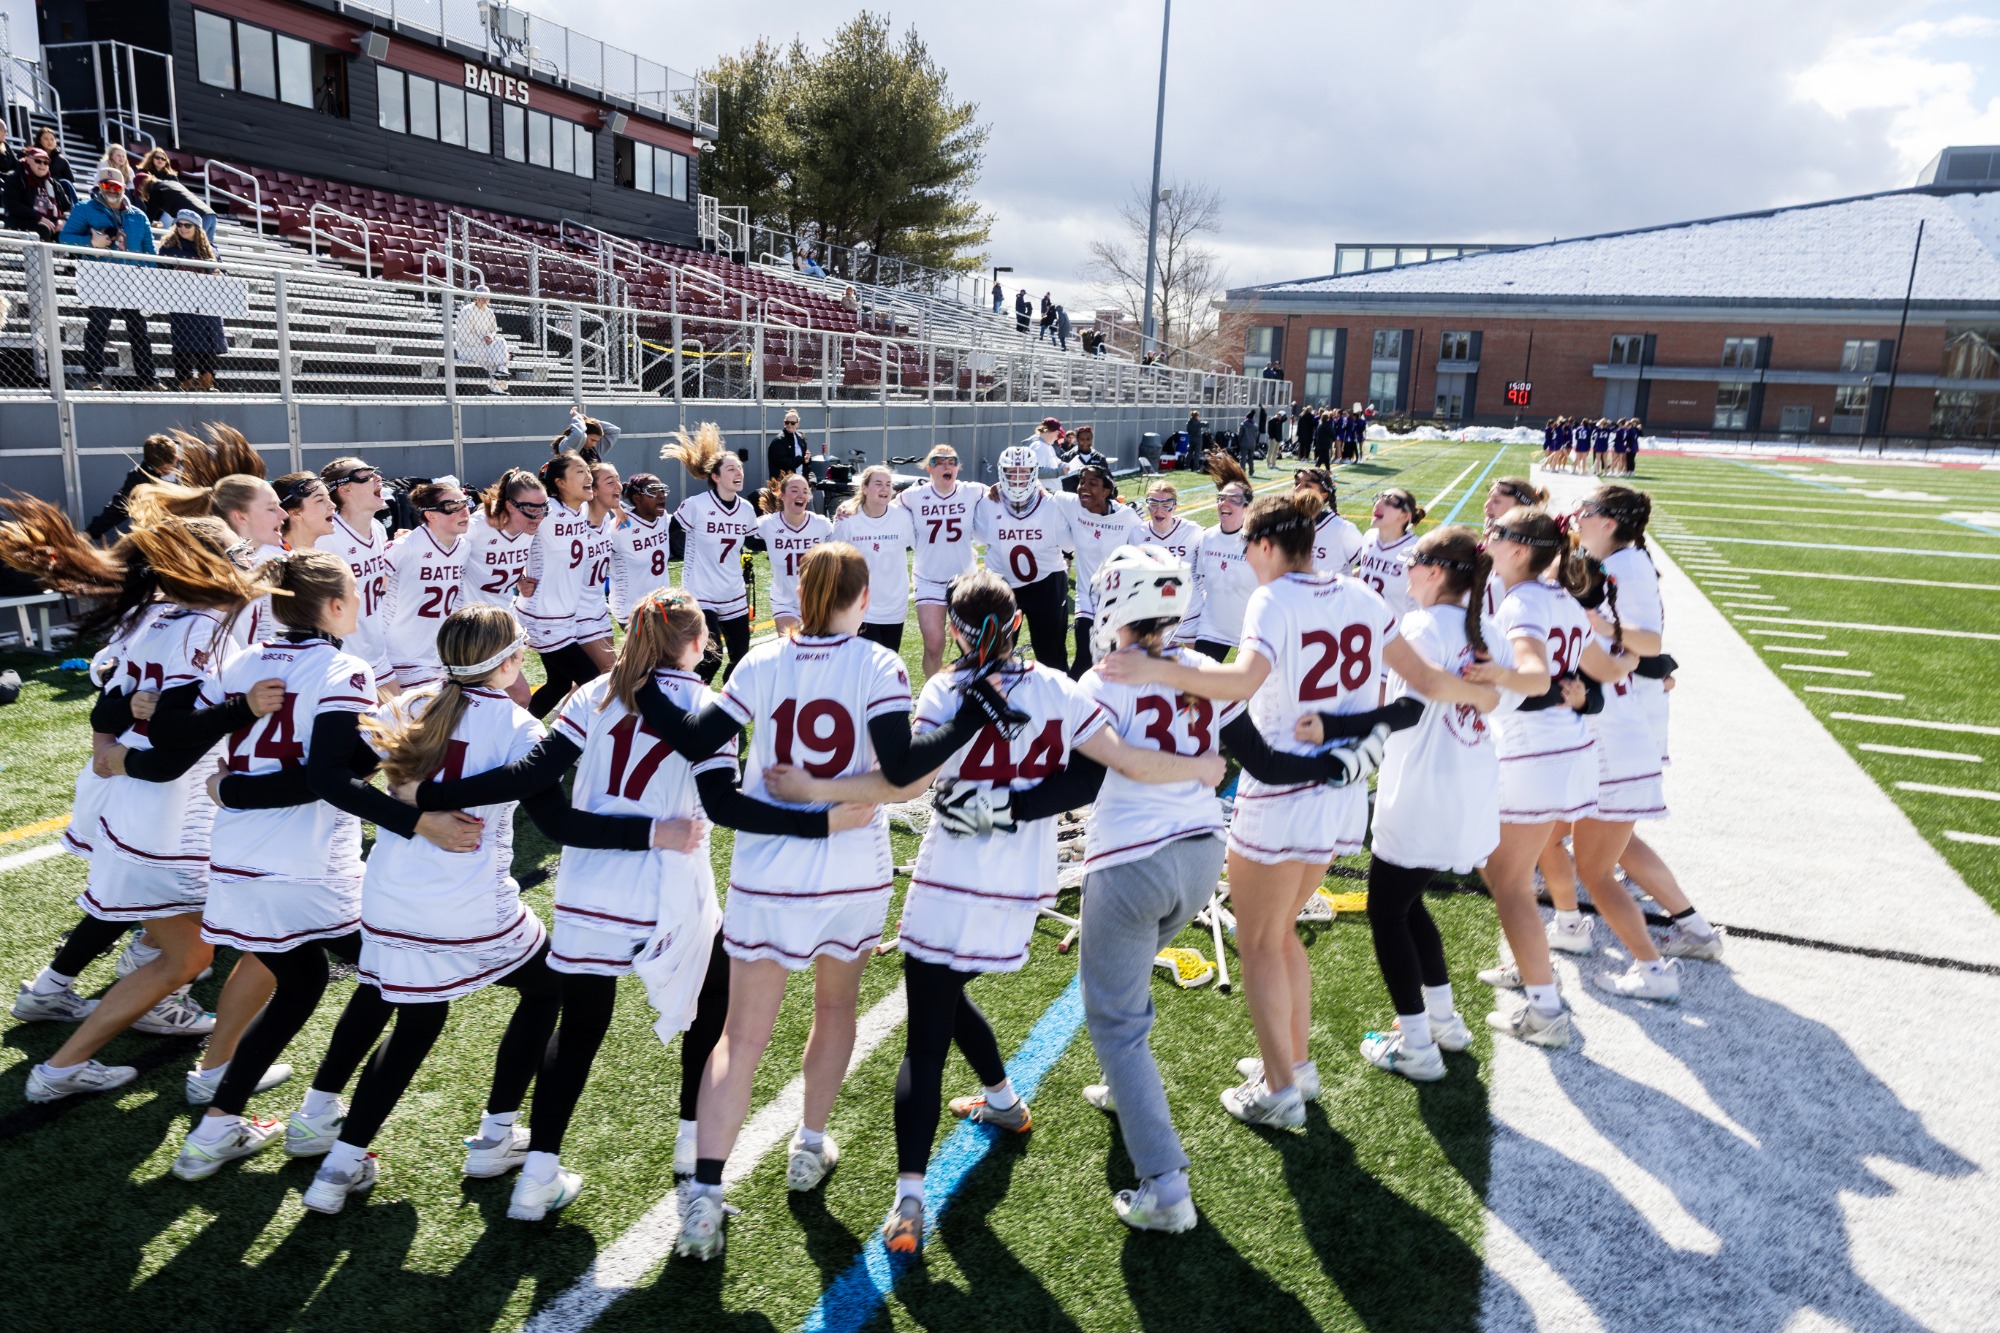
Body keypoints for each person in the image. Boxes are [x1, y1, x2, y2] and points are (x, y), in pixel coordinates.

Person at [764, 566, 1222, 1253]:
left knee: (925, 1025)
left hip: (954, 876)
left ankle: (910, 1194)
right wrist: (1019, 805)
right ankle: (1003, 1100)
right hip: (1022, 881)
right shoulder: (1059, 685)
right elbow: (1096, 770)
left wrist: (815, 783)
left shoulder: (948, 688)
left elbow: (905, 778)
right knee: (942, 995)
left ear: (956, 628)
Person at [404, 586, 863, 1215]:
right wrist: (819, 821)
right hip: (668, 886)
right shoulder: (705, 707)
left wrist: (426, 797)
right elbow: (724, 805)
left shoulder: (594, 694)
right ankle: (690, 1140)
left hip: (589, 888)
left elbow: (533, 777)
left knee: (582, 1025)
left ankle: (537, 1174)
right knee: (713, 1005)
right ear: (698, 644)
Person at [655, 543, 1020, 1261]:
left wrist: (638, 679)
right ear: (863, 597)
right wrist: (975, 711)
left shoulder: (759, 659)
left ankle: (704, 1193)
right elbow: (904, 769)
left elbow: (697, 735)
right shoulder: (877, 663)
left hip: (766, 870)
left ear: (803, 590)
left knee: (740, 1037)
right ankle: (808, 1143)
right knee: (834, 1010)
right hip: (850, 867)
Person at [1098, 490, 1486, 1127]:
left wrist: (1157, 671)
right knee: (1279, 935)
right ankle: (1295, 1067)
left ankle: (1279, 1090)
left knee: (1257, 941)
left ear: (1265, 546)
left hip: (1280, 793)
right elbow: (1422, 686)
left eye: (1249, 549)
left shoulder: (1273, 597)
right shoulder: (1361, 594)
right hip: (1338, 792)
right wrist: (1495, 690)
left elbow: (1242, 684)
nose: (1247, 562)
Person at [295, 604, 666, 1214]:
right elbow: (556, 822)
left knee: (416, 1018)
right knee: (548, 989)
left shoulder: (409, 705)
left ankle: (338, 1167)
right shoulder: (520, 727)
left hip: (388, 895)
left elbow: (331, 777)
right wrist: (651, 832)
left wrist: (411, 816)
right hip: (467, 905)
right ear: (511, 661)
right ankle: (494, 1133)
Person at [166, 550, 490, 1181]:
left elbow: (181, 730)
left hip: (236, 862)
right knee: (400, 981)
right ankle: (324, 1127)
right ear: (336, 606)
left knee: (306, 982)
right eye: (355, 591)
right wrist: (417, 820)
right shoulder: (344, 668)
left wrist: (231, 788)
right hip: (306, 868)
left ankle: (214, 1131)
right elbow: (327, 780)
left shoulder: (243, 660)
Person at [0, 504, 279, 1103]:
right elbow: (178, 741)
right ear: (210, 567)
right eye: (235, 554)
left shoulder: (149, 615)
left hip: (140, 805)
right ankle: (203, 1073)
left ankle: (81, 1049)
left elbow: (109, 708)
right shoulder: (207, 629)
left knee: (185, 951)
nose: (247, 563)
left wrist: (122, 734)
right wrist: (236, 712)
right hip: (169, 811)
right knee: (235, 943)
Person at [1303, 525, 1503, 1081]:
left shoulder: (1420, 624)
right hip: (1469, 785)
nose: (1404, 567)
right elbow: (1498, 698)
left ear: (1436, 570)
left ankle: (1416, 1043)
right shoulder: (1486, 627)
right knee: (1409, 902)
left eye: (1413, 559)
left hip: (1422, 787)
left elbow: (1410, 710)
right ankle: (1444, 1022)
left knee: (1387, 909)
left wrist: (1333, 727)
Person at [1461, 506, 1634, 1046]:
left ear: (1517, 549)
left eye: (1495, 532)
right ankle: (1532, 967)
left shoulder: (1525, 600)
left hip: (1535, 754)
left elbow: (1535, 678)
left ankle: (1544, 1008)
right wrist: (1635, 653)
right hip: (1567, 751)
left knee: (1506, 880)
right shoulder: (1559, 595)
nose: (1485, 538)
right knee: (1515, 869)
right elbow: (1607, 666)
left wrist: (1499, 675)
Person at [515, 451, 608, 714]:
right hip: (543, 617)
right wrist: (518, 577)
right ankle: (574, 743)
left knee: (558, 684)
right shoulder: (546, 510)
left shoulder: (580, 511)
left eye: (587, 471)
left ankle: (519, 739)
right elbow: (507, 536)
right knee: (595, 684)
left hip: (563, 617)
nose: (588, 476)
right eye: (580, 472)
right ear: (560, 483)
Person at [664, 424, 757, 684]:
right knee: (711, 658)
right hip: (701, 592)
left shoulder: (746, 509)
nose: (738, 471)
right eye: (731, 468)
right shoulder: (696, 505)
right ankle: (692, 706)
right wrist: (682, 555)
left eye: (739, 467)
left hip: (734, 592)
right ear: (715, 477)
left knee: (740, 661)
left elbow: (754, 542)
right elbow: (671, 533)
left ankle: (728, 710)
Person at [975, 445, 1076, 673]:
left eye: (1024, 472)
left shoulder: (1051, 505)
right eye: (1012, 472)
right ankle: (994, 700)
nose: (1018, 478)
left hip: (1046, 582)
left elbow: (1068, 545)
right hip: (1001, 585)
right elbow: (980, 537)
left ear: (1034, 474)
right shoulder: (988, 503)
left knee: (1051, 655)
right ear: (1002, 473)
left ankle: (1055, 705)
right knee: (995, 654)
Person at [60, 170, 160, 391]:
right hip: (101, 277)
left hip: (132, 280)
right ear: (99, 187)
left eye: (116, 187)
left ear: (124, 188)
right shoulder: (84, 209)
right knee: (98, 327)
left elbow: (150, 252)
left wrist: (151, 282)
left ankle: (148, 380)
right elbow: (65, 237)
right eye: (107, 187)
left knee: (139, 330)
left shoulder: (138, 215)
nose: (112, 191)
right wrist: (91, 242)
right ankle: (93, 378)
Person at [380, 480, 472, 690]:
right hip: (401, 655)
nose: (463, 512)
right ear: (430, 515)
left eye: (464, 503)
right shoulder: (404, 547)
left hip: (439, 655)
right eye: (452, 507)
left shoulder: (463, 547)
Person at [317, 456, 396, 693]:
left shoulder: (379, 530)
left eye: (375, 472)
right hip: (344, 656)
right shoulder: (326, 538)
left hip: (377, 653)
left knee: (403, 724)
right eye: (366, 475)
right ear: (345, 490)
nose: (377, 478)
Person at [899, 444, 979, 678]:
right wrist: (849, 508)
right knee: (934, 646)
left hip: (964, 580)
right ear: (929, 469)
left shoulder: (972, 491)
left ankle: (969, 695)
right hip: (929, 579)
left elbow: (1001, 490)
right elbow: (882, 509)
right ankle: (932, 697)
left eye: (952, 461)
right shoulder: (912, 496)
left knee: (969, 645)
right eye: (939, 461)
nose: (947, 466)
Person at [1061, 464, 1141, 679]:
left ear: (1107, 491)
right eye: (1082, 482)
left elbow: (1145, 547)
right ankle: (1074, 705)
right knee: (1084, 659)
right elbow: (1039, 493)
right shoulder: (1072, 505)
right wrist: (995, 489)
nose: (1083, 487)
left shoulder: (1127, 517)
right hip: (1086, 599)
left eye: (1092, 484)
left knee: (1116, 659)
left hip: (1117, 601)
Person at [832, 465, 917, 653]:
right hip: (860, 607)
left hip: (895, 606)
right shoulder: (849, 518)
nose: (885, 489)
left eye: (888, 484)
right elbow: (834, 555)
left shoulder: (902, 517)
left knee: (889, 661)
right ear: (864, 488)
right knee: (867, 664)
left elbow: (922, 545)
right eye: (878, 483)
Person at [1180, 451, 1256, 662]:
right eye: (1221, 498)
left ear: (1247, 507)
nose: (1225, 503)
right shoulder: (1208, 536)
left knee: (1254, 688)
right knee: (1198, 685)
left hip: (1250, 626)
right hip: (1212, 626)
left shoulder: (1258, 540)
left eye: (1234, 500)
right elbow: (1201, 577)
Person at [755, 470, 833, 638]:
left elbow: (844, 542)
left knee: (817, 653)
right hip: (784, 601)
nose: (801, 494)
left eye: (805, 491)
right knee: (791, 648)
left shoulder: (821, 524)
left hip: (816, 600)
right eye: (795, 490)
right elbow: (739, 530)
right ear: (782, 496)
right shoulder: (768, 524)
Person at [156, 210, 227, 392]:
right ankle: (185, 384)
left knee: (208, 345)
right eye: (179, 224)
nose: (182, 228)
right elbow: (160, 271)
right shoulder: (169, 247)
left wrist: (218, 273)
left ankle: (207, 383)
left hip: (206, 302)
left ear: (197, 228)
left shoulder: (210, 248)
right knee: (183, 344)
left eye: (187, 225)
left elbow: (224, 272)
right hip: (182, 301)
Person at [607, 472, 673, 628]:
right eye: (653, 491)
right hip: (632, 607)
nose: (661, 496)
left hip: (661, 602)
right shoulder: (619, 527)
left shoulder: (662, 518)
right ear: (637, 498)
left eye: (662, 490)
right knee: (649, 652)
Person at [85, 433, 179, 540]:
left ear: (176, 459)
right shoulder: (139, 476)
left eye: (164, 469)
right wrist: (89, 533)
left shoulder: (193, 461)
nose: (158, 471)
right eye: (155, 469)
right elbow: (119, 506)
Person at [1355, 488, 1425, 626]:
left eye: (1389, 502)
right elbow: (1367, 572)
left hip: (1399, 634)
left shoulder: (1417, 549)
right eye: (1379, 498)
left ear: (1404, 517)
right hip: (1367, 628)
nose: (1378, 504)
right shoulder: (1369, 537)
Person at [1293, 468, 1363, 574]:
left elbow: (1370, 567)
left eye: (1307, 486)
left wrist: (1346, 582)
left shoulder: (1343, 529)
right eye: (1296, 483)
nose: (1297, 489)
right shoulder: (1283, 523)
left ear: (1323, 495)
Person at [454, 286, 511, 391]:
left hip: (484, 347)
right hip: (467, 348)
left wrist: (490, 336)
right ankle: (498, 381)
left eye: (487, 297)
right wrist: (483, 340)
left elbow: (493, 330)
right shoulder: (466, 311)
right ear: (475, 297)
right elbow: (464, 336)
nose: (485, 299)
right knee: (498, 355)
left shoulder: (489, 312)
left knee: (501, 341)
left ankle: (501, 373)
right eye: (482, 297)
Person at [133, 172, 216, 243]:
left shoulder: (157, 190)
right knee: (208, 251)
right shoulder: (171, 184)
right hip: (211, 214)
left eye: (140, 191)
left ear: (143, 185)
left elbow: (148, 217)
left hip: (198, 219)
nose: (142, 194)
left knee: (192, 249)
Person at [4, 147, 66, 242]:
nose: (42, 165)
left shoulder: (53, 184)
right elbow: (13, 205)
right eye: (38, 161)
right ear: (28, 160)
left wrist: (62, 220)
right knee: (43, 228)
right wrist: (40, 218)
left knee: (69, 231)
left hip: (51, 224)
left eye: (46, 163)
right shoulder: (16, 178)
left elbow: (68, 208)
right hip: (21, 223)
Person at [556, 407, 621, 464]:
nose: (594, 444)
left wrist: (589, 421)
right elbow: (578, 434)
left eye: (596, 441)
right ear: (584, 434)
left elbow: (615, 431)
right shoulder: (569, 447)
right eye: (592, 440)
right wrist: (578, 418)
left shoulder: (594, 450)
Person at [34, 128, 77, 209]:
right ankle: (42, 212)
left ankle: (74, 211)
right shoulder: (32, 156)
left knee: (66, 183)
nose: (49, 142)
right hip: (38, 187)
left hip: (57, 190)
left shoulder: (61, 160)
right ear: (39, 141)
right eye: (46, 139)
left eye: (52, 139)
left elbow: (71, 180)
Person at [767, 410, 811, 483]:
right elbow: (783, 463)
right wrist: (802, 460)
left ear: (797, 424)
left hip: (800, 480)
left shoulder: (800, 438)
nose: (789, 425)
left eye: (792, 423)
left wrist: (808, 459)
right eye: (787, 422)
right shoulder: (779, 440)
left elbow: (807, 463)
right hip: (784, 482)